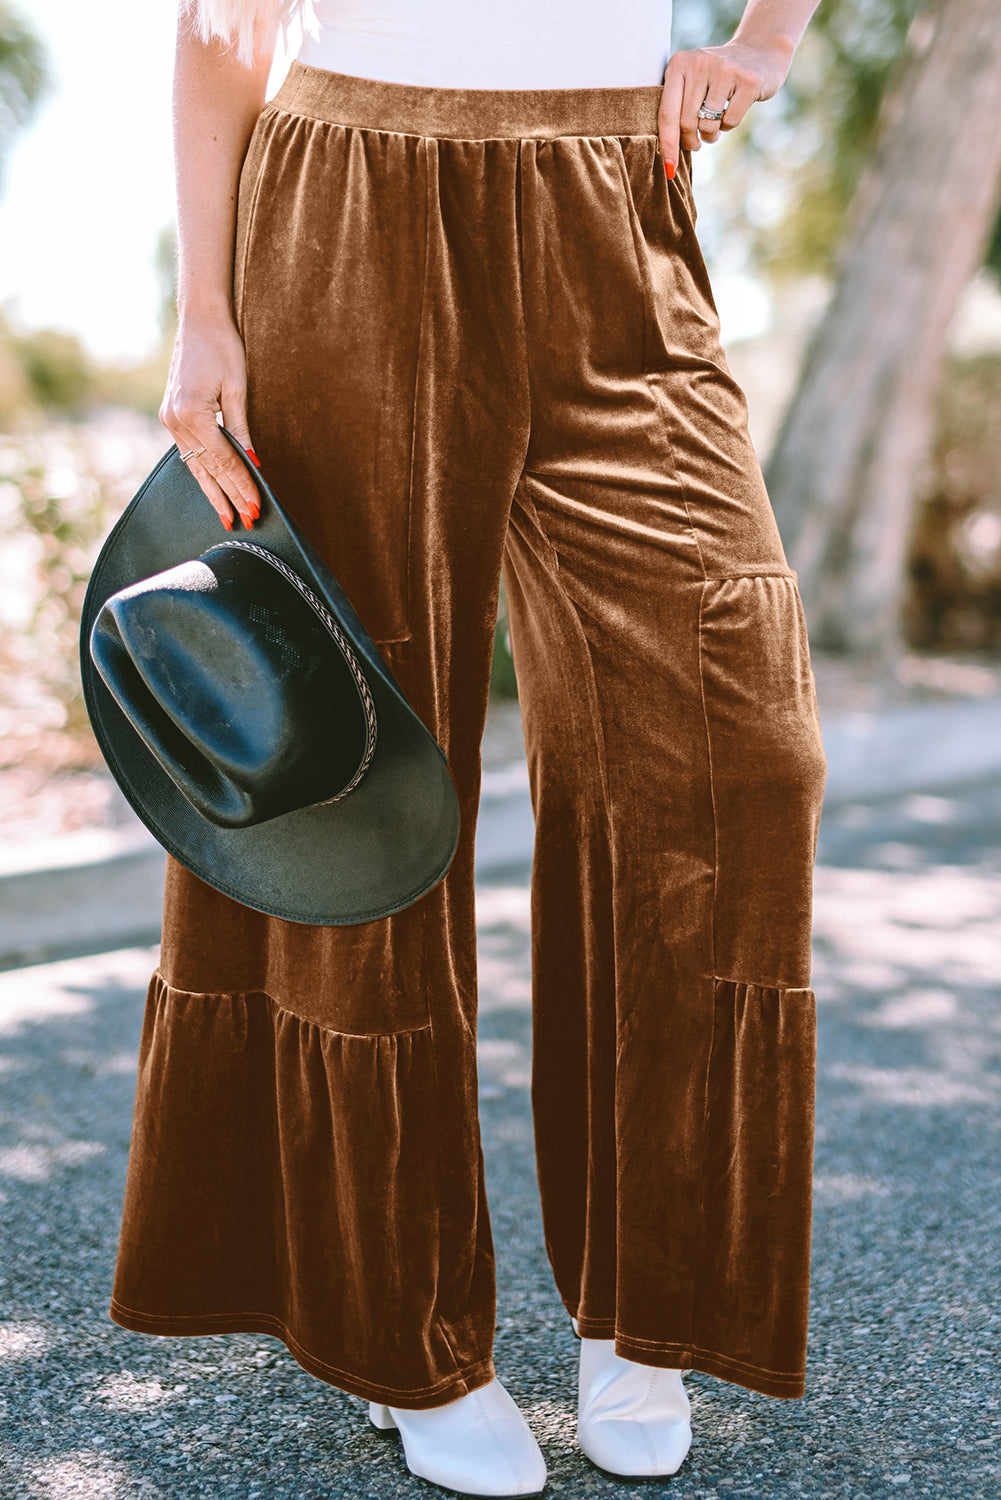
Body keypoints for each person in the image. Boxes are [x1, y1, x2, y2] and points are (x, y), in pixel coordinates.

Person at [113, 0, 827, 1493]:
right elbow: (216, 31)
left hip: (610, 201)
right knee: (357, 756)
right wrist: (204, 318)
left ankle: (653, 1302)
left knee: (732, 747)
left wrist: (764, 40)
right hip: (350, 196)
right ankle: (399, 1325)